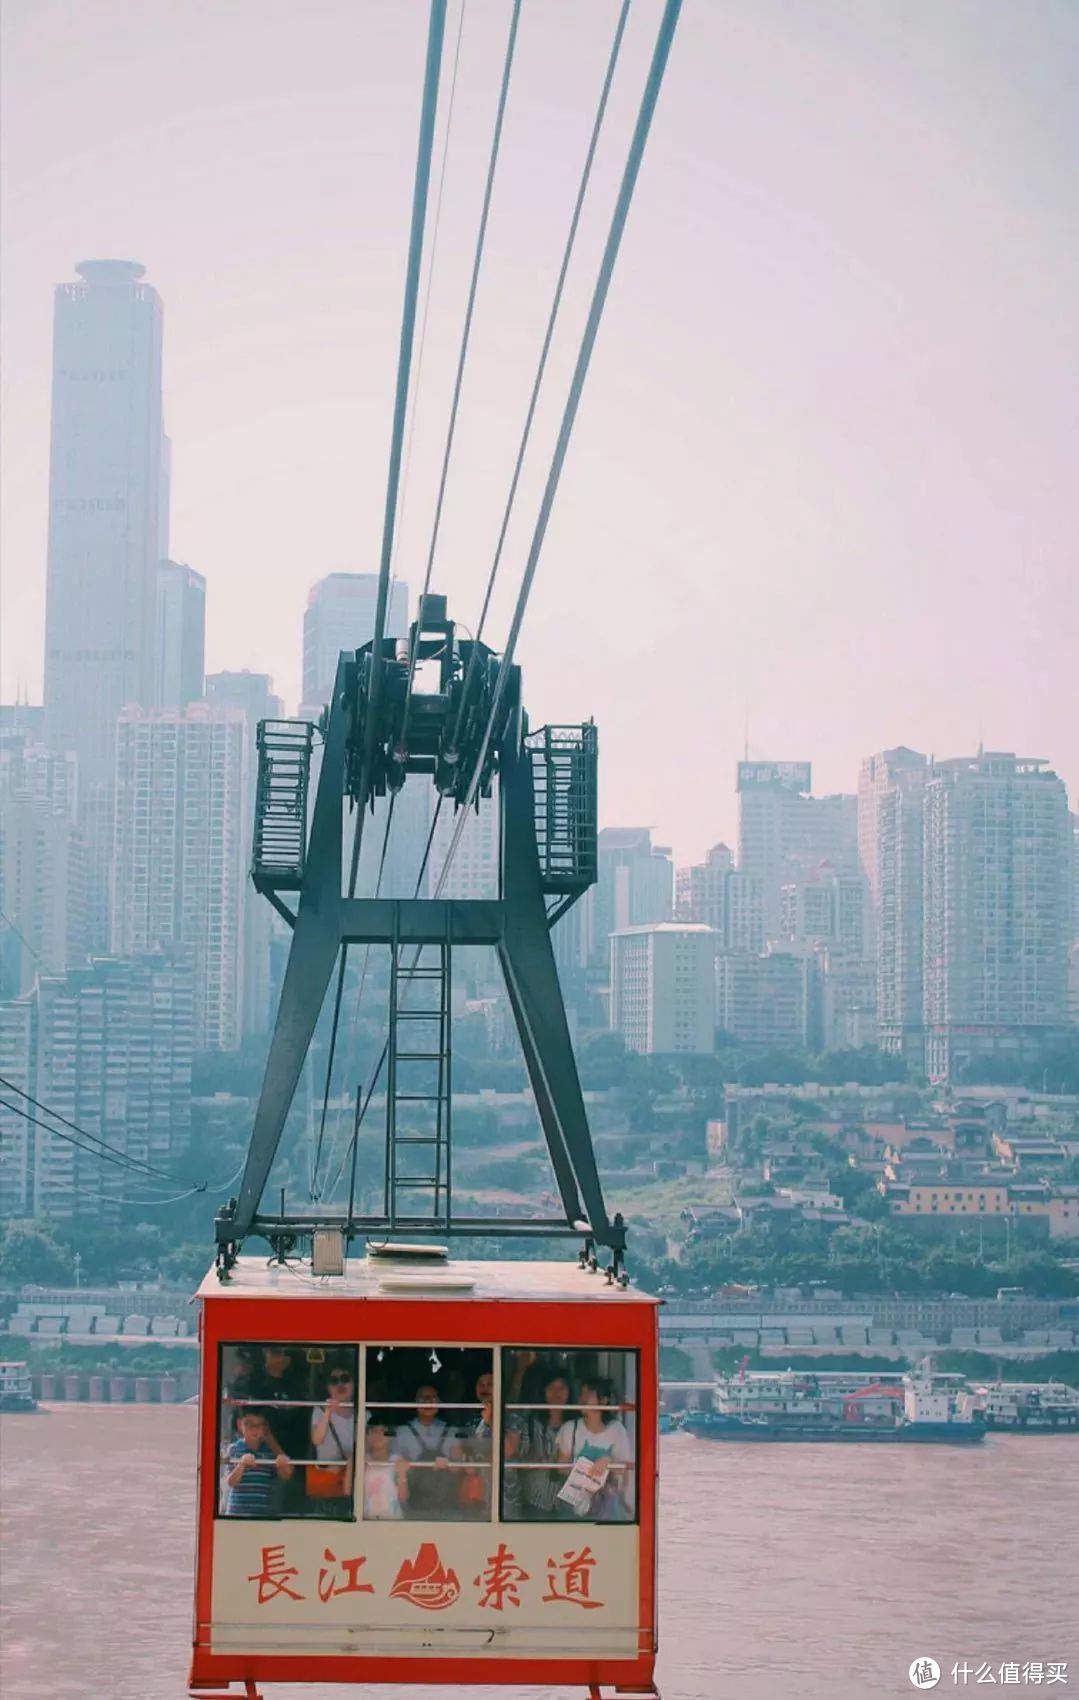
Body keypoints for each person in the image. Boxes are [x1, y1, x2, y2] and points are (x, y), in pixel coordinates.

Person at [555, 1375, 634, 1520]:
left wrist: (607, 1462)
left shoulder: (617, 1430)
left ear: (603, 1400)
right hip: (574, 1500)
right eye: (582, 1393)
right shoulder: (569, 1428)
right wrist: (585, 1473)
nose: (583, 1398)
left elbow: (624, 1468)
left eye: (589, 1394)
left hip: (607, 1503)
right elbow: (561, 1467)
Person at [246, 1345, 310, 1513]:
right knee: (274, 1510)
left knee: (297, 1509)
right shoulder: (257, 1383)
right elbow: (260, 1423)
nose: (280, 1357)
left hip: (299, 1456)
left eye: (284, 1353)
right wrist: (280, 1455)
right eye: (275, 1352)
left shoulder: (295, 1383)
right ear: (265, 1354)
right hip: (270, 1458)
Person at [514, 1364, 571, 1519]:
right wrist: (533, 1461)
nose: (556, 1393)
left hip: (567, 1507)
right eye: (551, 1388)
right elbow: (517, 1462)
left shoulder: (575, 1426)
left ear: (569, 1392)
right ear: (543, 1392)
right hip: (534, 1504)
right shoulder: (532, 1423)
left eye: (562, 1388)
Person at [393, 1383, 457, 1517]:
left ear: (440, 1402)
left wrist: (449, 1464)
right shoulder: (402, 1432)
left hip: (445, 1503)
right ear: (415, 1403)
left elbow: (460, 1468)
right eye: (423, 1398)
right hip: (413, 1501)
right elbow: (395, 1466)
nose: (428, 1401)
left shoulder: (451, 1431)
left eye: (432, 1398)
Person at [223, 1409, 294, 1517]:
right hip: (237, 1513)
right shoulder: (234, 1449)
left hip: (262, 1513)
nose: (254, 1429)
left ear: (265, 1428)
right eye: (249, 1424)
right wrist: (241, 1464)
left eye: (259, 1425)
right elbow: (230, 1482)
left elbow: (287, 1475)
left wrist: (283, 1462)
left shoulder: (269, 1451)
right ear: (239, 1424)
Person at [308, 1366, 356, 1518]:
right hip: (327, 1486)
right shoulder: (320, 1411)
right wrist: (328, 1412)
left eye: (345, 1379)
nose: (340, 1384)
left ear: (353, 1384)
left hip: (355, 1483)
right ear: (328, 1387)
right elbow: (317, 1439)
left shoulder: (364, 1413)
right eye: (334, 1381)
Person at [458, 1367, 495, 1517]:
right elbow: (466, 1447)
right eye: (481, 1384)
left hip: (501, 1487)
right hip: (475, 1485)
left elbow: (507, 1451)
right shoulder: (469, 1416)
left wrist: (490, 1421)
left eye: (490, 1384)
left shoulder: (512, 1415)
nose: (485, 1388)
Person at [363, 1422, 408, 1519]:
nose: (379, 1436)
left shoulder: (398, 1460)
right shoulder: (360, 1460)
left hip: (392, 1520)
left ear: (391, 1437)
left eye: (384, 1432)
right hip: (365, 1520)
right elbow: (347, 1492)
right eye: (375, 1432)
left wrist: (402, 1474)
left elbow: (403, 1497)